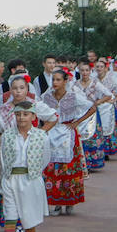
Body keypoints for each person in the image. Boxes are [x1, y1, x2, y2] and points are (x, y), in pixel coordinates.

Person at [0, 75, 56, 231]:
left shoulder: (34, 105)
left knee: (27, 187)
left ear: (27, 89)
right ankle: (13, 223)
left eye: (21, 88)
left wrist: (38, 134)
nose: (18, 92)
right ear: (10, 90)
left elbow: (53, 117)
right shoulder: (3, 109)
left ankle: (25, 224)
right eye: (15, 88)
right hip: (8, 152)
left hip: (27, 152)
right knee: (6, 186)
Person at [0, 102, 51, 232]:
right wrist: (5, 178)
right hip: (11, 178)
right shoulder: (7, 136)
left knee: (30, 217)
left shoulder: (41, 136)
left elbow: (45, 158)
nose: (21, 118)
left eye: (26, 114)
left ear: (33, 117)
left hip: (31, 178)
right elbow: (3, 157)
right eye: (18, 114)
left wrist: (34, 173)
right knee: (10, 216)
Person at [41, 69, 94, 215]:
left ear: (65, 81)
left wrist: (77, 122)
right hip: (52, 133)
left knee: (69, 169)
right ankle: (57, 203)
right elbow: (39, 110)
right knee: (53, 169)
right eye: (53, 80)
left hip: (68, 134)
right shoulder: (47, 96)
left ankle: (70, 202)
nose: (55, 83)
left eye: (58, 80)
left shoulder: (73, 96)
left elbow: (92, 107)